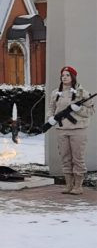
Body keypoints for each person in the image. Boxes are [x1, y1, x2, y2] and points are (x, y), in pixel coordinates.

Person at [47, 66, 95, 194]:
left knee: (77, 158)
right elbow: (51, 108)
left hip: (78, 130)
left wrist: (79, 109)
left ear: (73, 77)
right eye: (63, 75)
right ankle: (68, 185)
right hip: (62, 129)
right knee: (65, 157)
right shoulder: (55, 93)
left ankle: (78, 186)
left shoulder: (82, 93)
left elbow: (91, 111)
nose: (64, 77)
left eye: (67, 75)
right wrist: (50, 118)